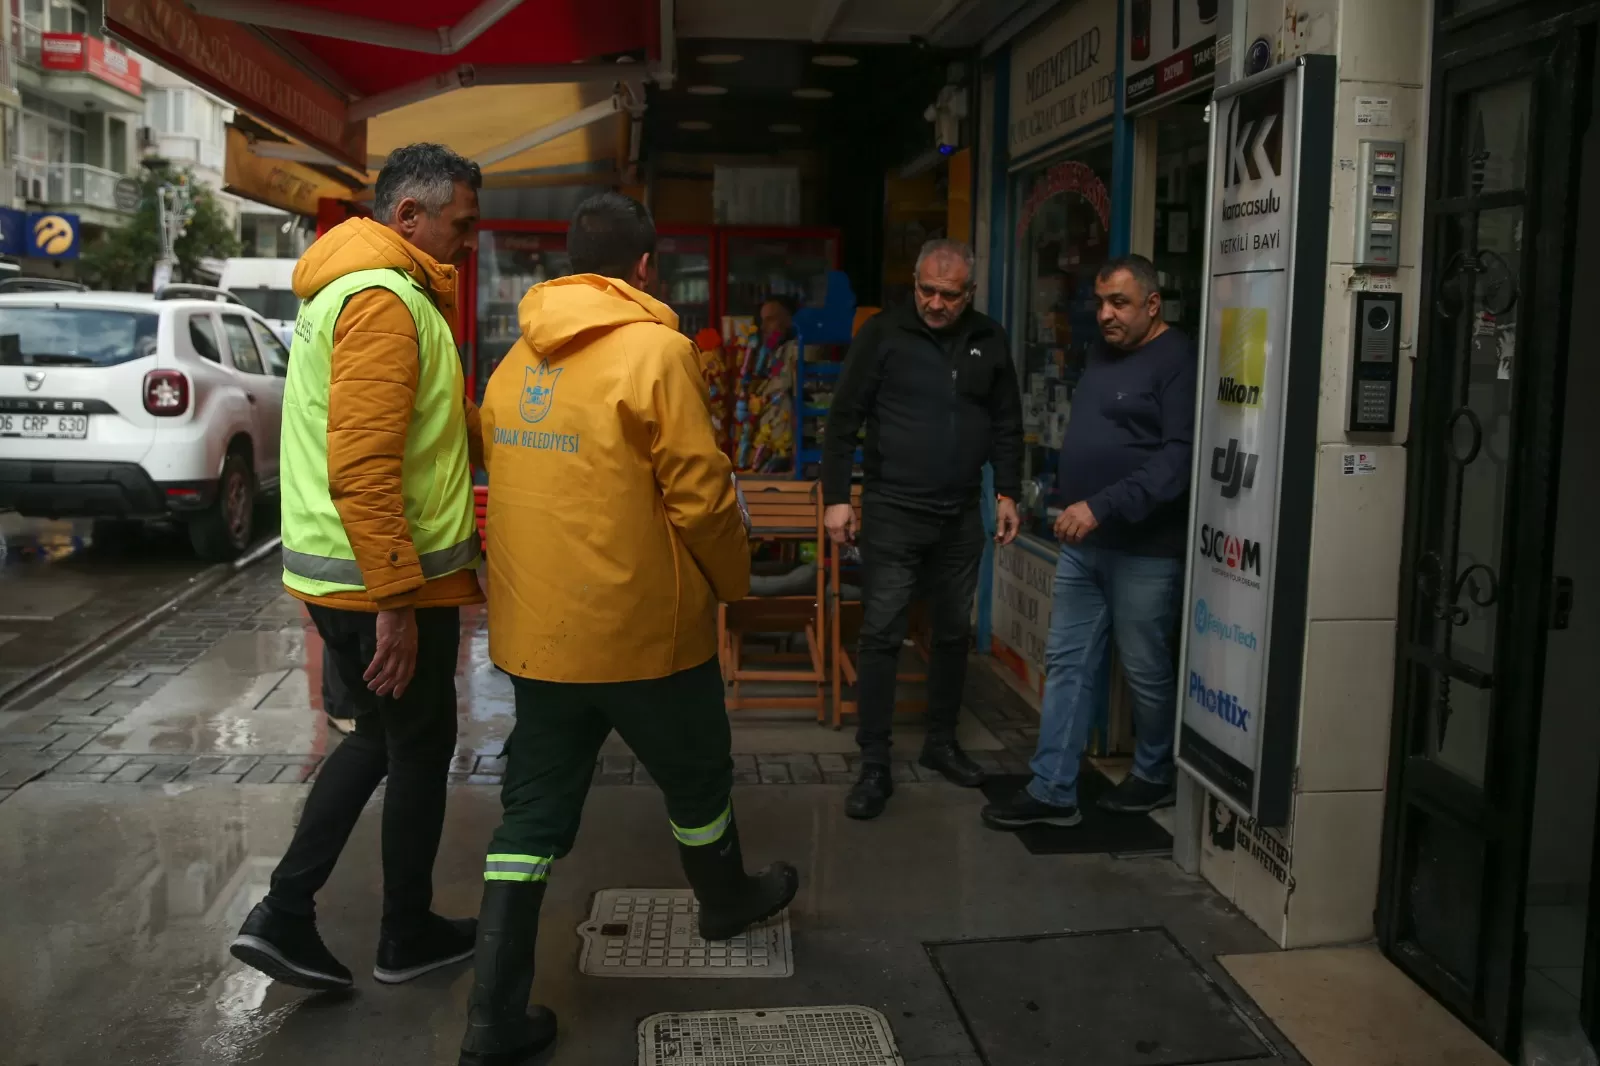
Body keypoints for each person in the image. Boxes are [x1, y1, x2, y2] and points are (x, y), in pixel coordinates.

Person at [457, 192, 799, 1066]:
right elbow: (701, 490)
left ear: (567, 264)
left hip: (542, 639)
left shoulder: (511, 361)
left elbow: (500, 461)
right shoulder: (658, 352)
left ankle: (490, 1021)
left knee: (528, 819)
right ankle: (723, 902)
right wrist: (735, 581)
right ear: (645, 267)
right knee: (696, 782)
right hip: (647, 634)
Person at [229, 143, 485, 990]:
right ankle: (403, 934)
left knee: (378, 739)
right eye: (461, 223)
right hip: (379, 577)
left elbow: (424, 426)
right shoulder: (382, 299)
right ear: (408, 216)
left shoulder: (351, 287)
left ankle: (285, 912)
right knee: (417, 747)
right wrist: (397, 602)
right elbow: (366, 463)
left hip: (343, 572)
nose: (469, 240)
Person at [982, 254, 1196, 831]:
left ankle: (1154, 773)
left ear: (1152, 304)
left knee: (1147, 669)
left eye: (1118, 303)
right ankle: (1052, 787)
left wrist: (1099, 505)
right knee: (1068, 663)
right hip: (1082, 544)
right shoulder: (1103, 354)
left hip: (1144, 549)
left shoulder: (1178, 359)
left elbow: (1176, 462)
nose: (1105, 314)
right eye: (1100, 303)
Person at [821, 238, 1024, 821]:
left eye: (949, 294)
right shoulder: (883, 335)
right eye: (926, 291)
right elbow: (842, 421)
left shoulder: (989, 338)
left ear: (970, 294)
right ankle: (875, 762)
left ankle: (940, 743)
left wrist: (1007, 490)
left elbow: (1008, 421)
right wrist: (838, 498)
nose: (935, 303)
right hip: (892, 509)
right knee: (882, 632)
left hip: (962, 512)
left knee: (954, 631)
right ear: (914, 284)